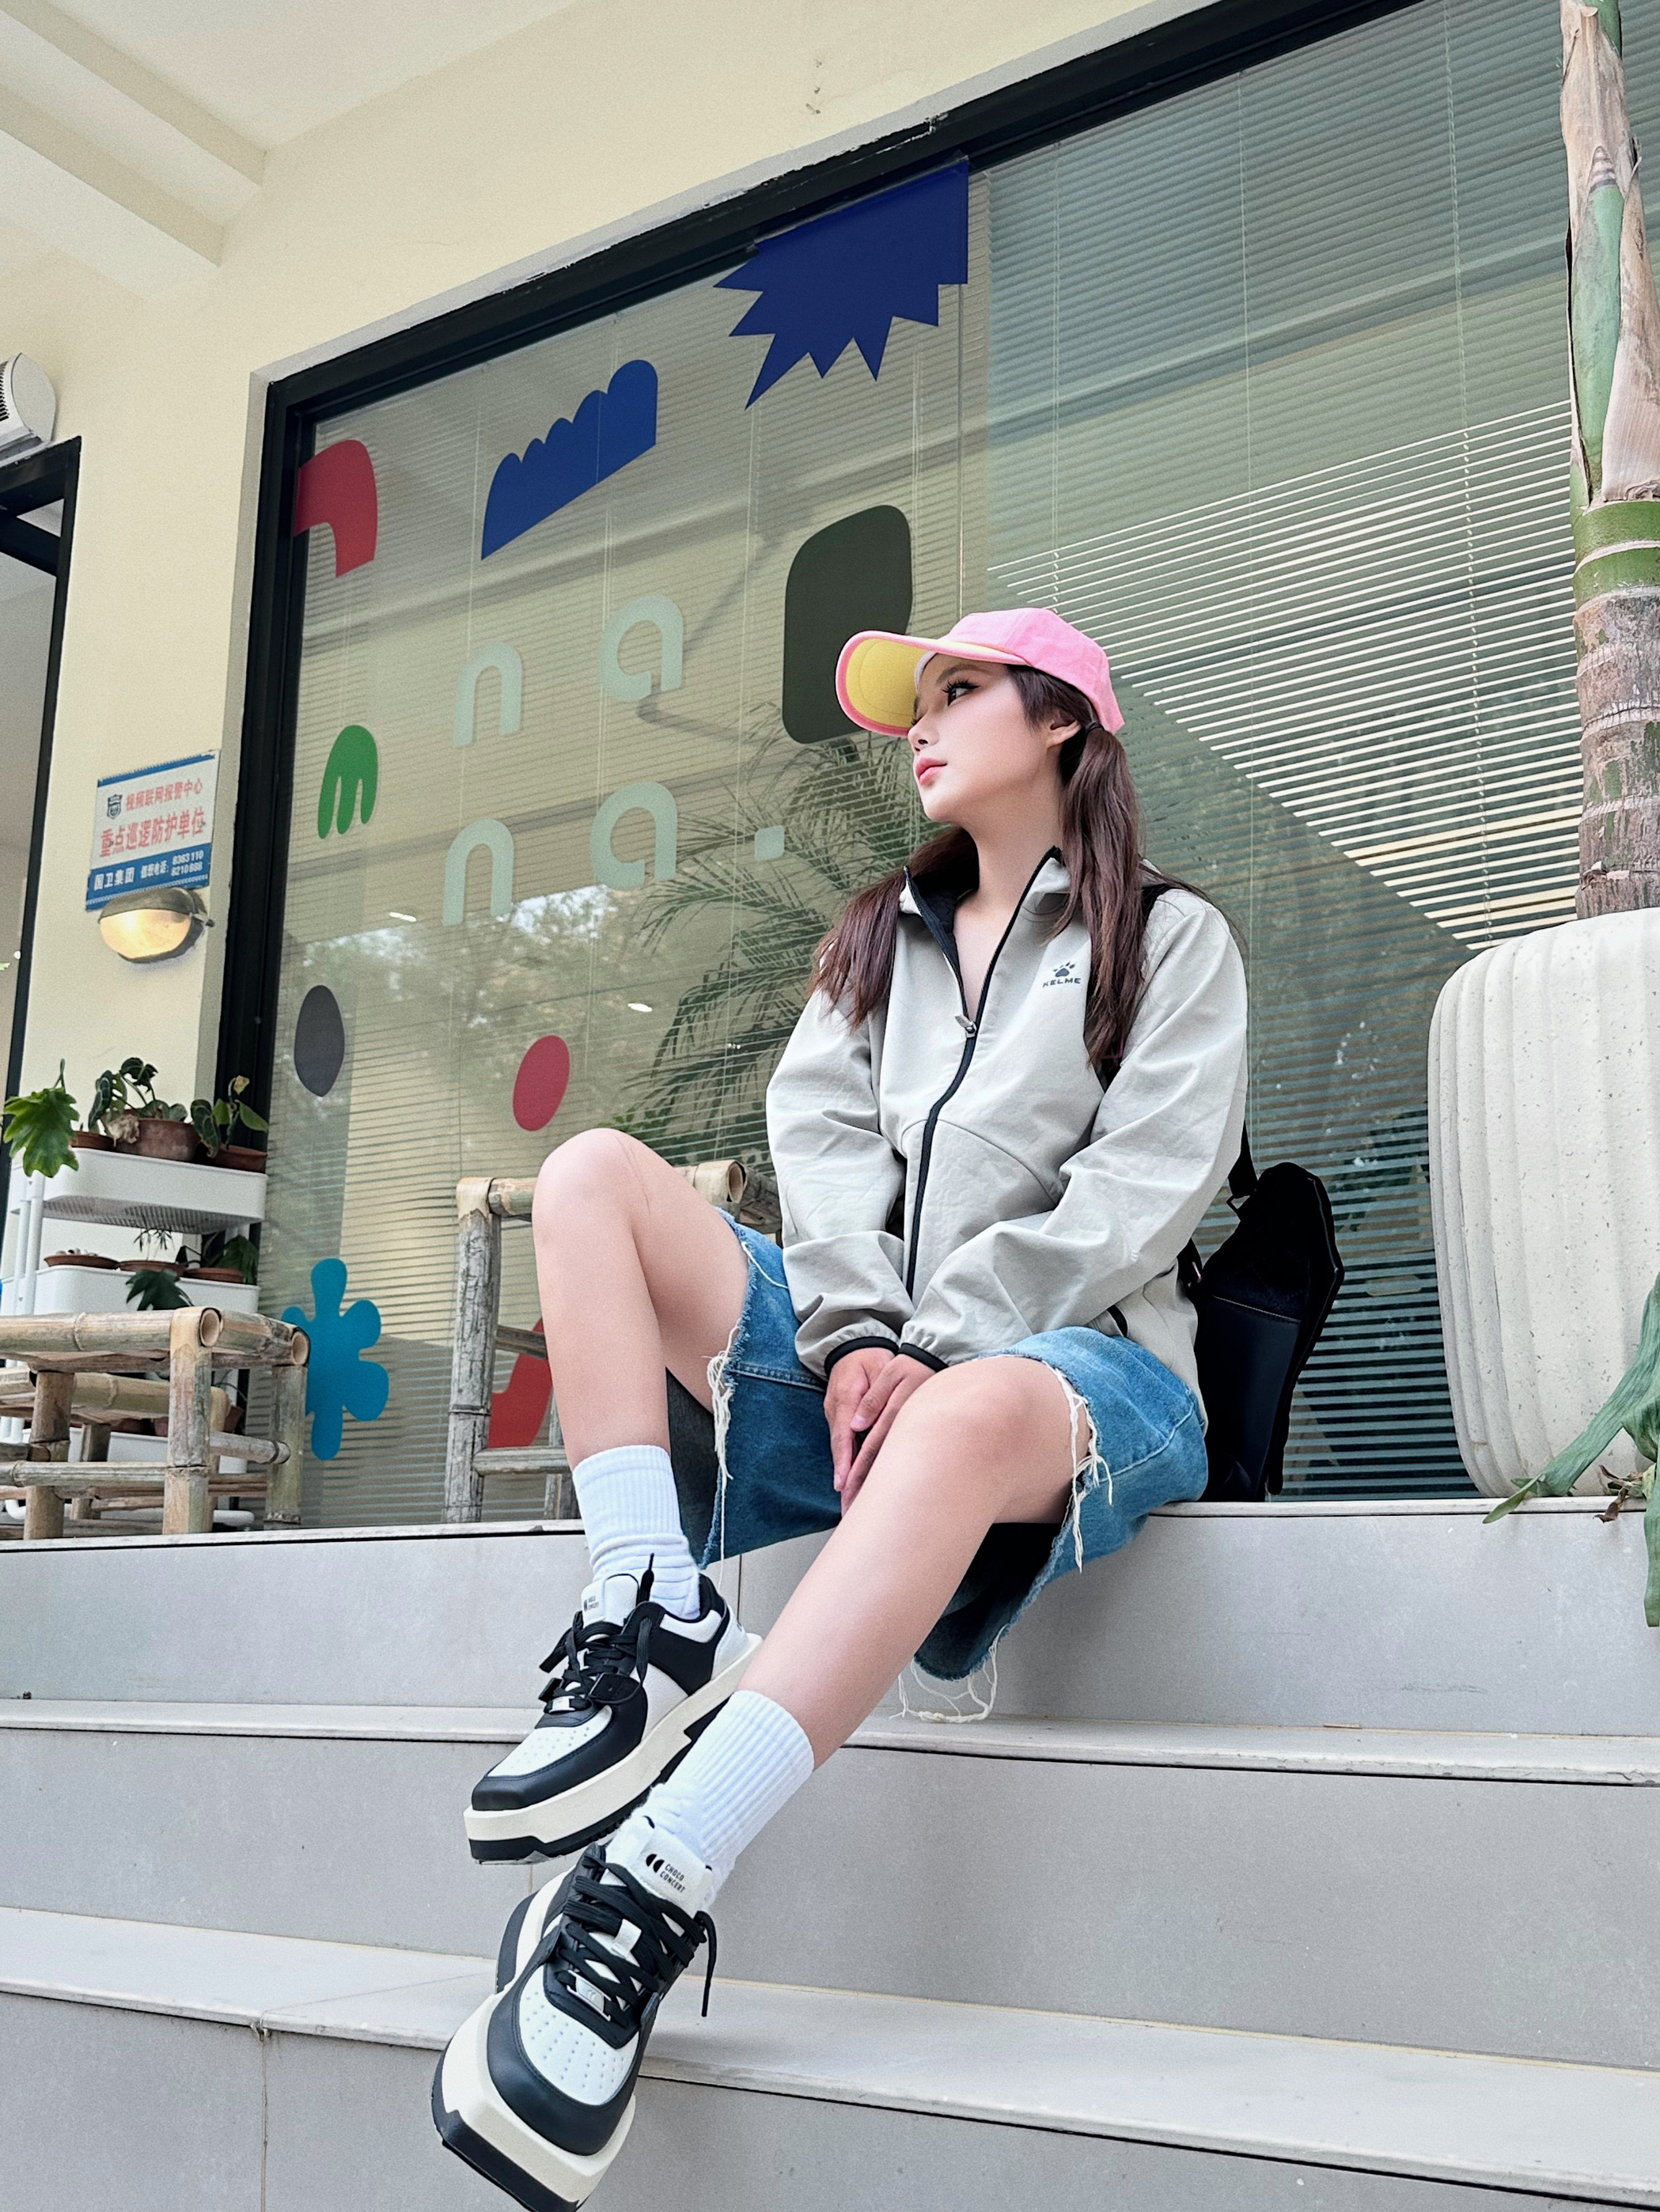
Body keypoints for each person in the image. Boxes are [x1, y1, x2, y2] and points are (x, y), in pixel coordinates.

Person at [432, 606, 1249, 2209]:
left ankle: (651, 1882)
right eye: (913, 703)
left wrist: (932, 1346)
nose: (919, 727)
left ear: (1061, 719)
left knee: (955, 1412)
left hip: (1084, 1375)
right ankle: (650, 1607)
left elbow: (1140, 1191)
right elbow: (817, 1152)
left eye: (957, 691)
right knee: (591, 1174)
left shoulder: (1167, 938)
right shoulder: (879, 938)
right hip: (865, 1364)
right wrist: (859, 1333)